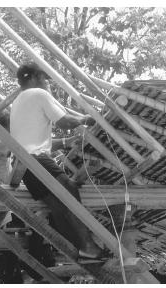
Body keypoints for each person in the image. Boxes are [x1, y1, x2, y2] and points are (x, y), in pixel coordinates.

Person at [10, 62, 102, 259]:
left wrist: (67, 142)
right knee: (69, 190)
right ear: (34, 78)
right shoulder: (38, 94)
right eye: (44, 78)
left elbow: (33, 140)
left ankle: (78, 247)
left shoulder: (18, 101)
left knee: (57, 206)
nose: (47, 83)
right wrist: (86, 118)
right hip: (36, 160)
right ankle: (87, 245)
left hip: (25, 168)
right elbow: (65, 122)